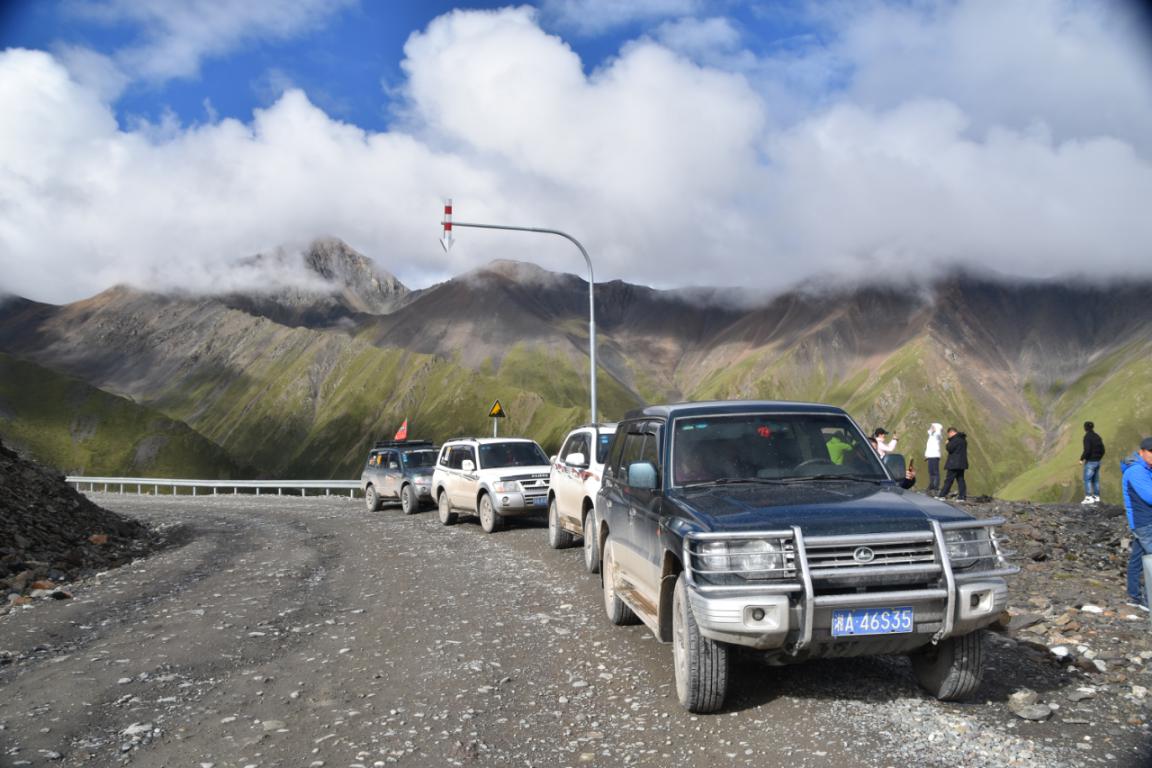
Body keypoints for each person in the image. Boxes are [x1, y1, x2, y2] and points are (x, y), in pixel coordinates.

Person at [1123, 437, 1152, 613]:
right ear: (1142, 452)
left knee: (1137, 559)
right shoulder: (1136, 471)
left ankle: (1134, 596)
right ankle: (1148, 600)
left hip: (1145, 522)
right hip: (1145, 524)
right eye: (1151, 452)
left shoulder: (1146, 469)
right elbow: (1149, 496)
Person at [937, 427, 968, 501]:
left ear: (951, 432)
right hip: (961, 463)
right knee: (960, 479)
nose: (948, 436)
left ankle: (942, 495)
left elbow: (950, 449)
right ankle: (962, 496)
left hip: (954, 463)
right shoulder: (963, 439)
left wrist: (947, 444)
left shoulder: (955, 440)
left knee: (949, 479)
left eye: (948, 434)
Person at [1080, 421, 1106, 505]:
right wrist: (1098, 458)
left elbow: (1087, 450)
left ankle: (1088, 497)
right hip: (1097, 461)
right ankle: (1096, 496)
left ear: (1085, 428)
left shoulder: (1087, 437)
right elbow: (1103, 449)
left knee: (1087, 479)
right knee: (1096, 480)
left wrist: (1082, 458)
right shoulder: (1097, 436)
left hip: (1090, 461)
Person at [925, 423, 944, 495]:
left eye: (932, 427)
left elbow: (938, 434)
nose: (931, 428)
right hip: (930, 456)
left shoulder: (936, 435)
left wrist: (936, 430)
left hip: (934, 455)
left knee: (935, 472)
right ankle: (932, 485)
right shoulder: (931, 436)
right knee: (931, 472)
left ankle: (935, 487)